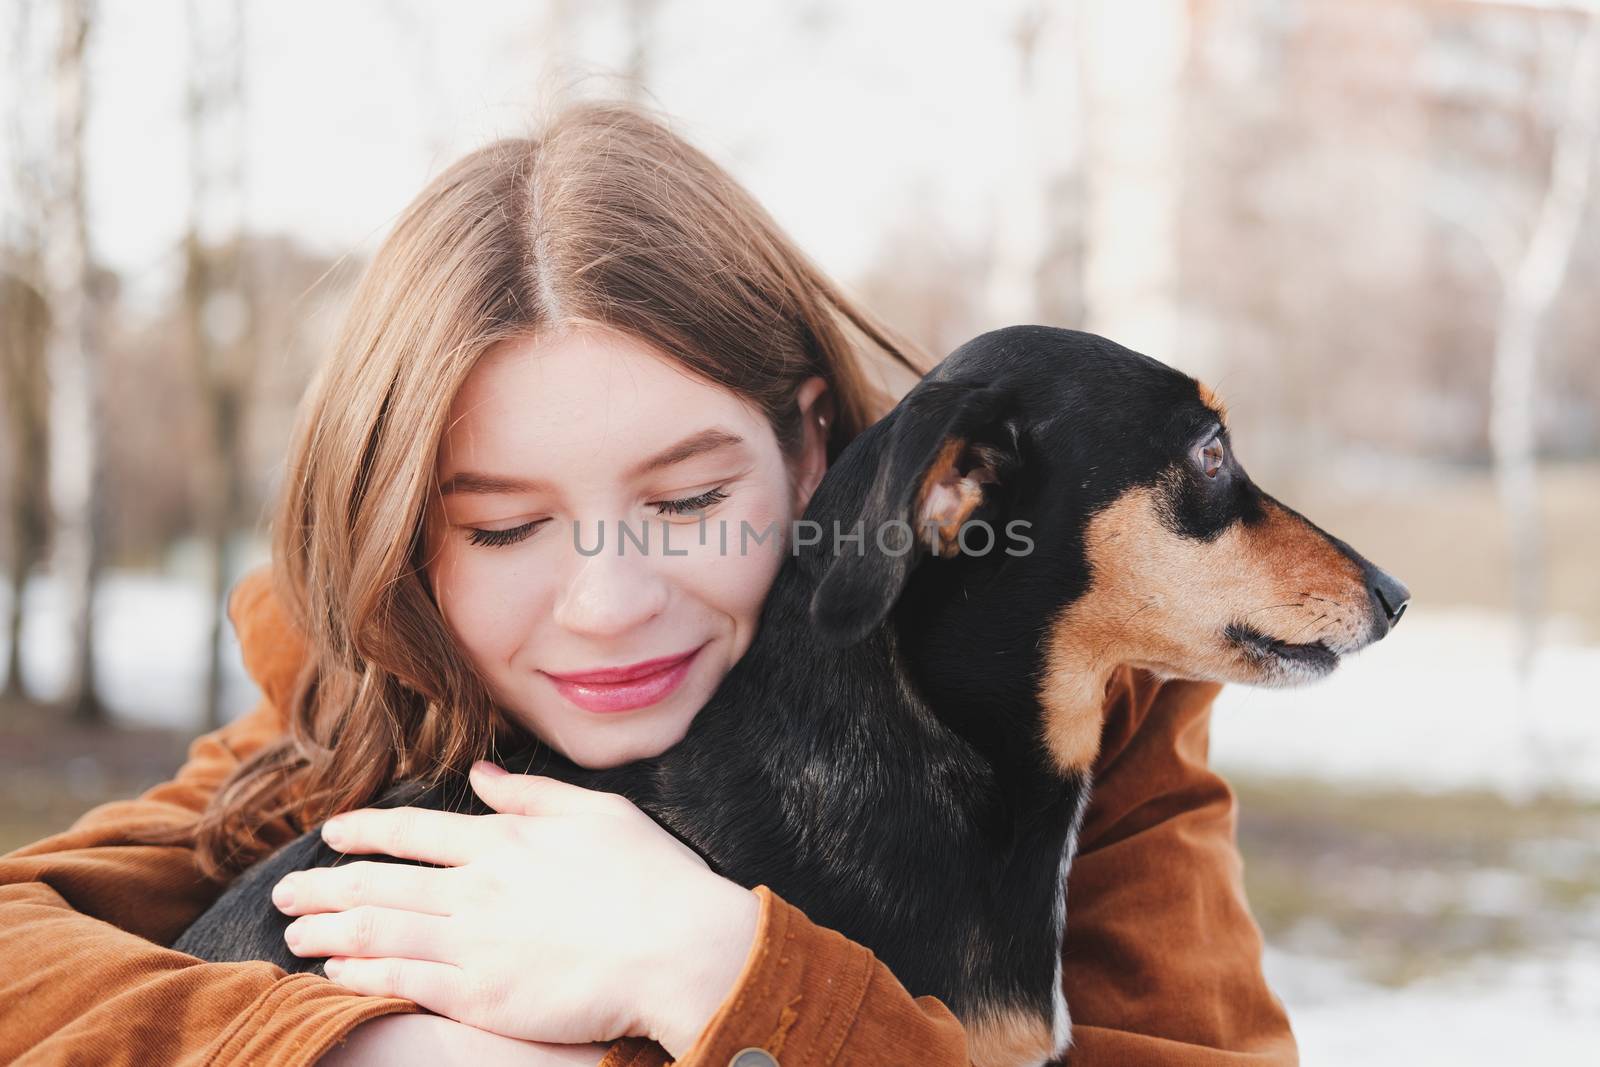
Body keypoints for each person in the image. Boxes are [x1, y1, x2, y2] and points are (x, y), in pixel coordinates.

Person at [0, 99, 1298, 1066]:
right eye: (505, 529)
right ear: (409, 545)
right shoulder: (378, 691)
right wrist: (410, 1049)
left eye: (686, 501)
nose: (607, 603)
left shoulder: (1080, 712)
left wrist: (720, 974)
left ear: (811, 451)